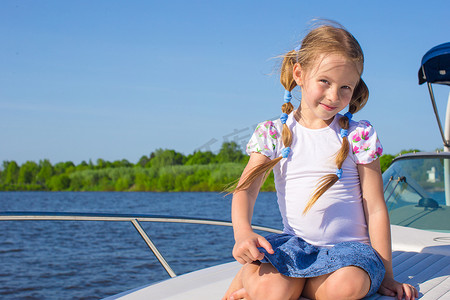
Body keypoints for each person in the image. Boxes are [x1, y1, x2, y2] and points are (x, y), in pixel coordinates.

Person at [223, 22, 419, 300]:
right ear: (299, 74)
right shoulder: (273, 133)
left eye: (345, 87)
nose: (333, 96)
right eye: (324, 82)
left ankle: (284, 283)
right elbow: (246, 190)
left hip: (350, 253)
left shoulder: (357, 135)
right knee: (273, 292)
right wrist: (243, 232)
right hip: (296, 246)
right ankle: (264, 280)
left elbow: (375, 206)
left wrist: (387, 275)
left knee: (345, 288)